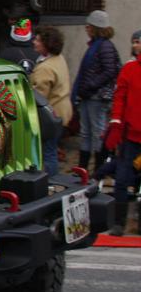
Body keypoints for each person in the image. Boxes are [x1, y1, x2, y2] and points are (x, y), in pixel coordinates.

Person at [71, 10, 120, 174]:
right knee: (85, 133)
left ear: (95, 27)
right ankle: (82, 169)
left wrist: (90, 85)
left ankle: (98, 171)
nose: (86, 27)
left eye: (89, 25)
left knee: (97, 133)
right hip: (88, 96)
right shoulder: (96, 45)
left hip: (97, 97)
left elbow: (109, 71)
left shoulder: (104, 46)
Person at [103, 29, 141, 235]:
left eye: (138, 42)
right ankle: (119, 222)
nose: (134, 45)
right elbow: (120, 97)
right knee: (122, 179)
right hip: (130, 137)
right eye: (133, 42)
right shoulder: (129, 69)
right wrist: (116, 123)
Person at [30, 26, 72, 177]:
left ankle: (50, 181)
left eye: (37, 40)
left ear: (46, 44)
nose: (34, 42)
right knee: (52, 150)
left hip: (51, 115)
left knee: (48, 153)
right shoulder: (58, 59)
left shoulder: (45, 68)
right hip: (63, 111)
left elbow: (39, 96)